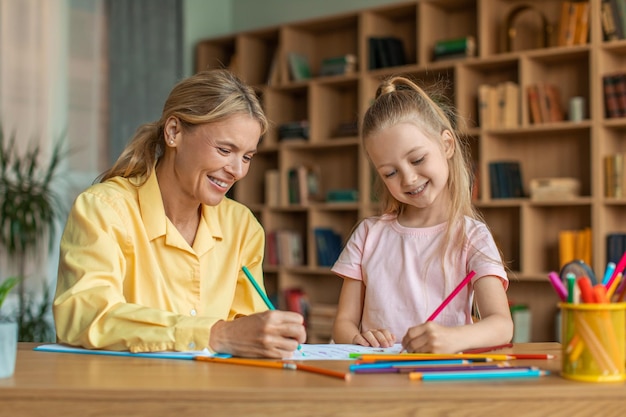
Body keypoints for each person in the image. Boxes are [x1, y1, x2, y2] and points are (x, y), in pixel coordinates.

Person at [53, 69, 306, 358]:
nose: (237, 171)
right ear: (174, 132)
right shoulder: (104, 209)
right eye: (225, 150)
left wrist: (267, 337)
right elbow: (85, 315)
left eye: (247, 157)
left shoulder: (243, 227)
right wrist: (213, 335)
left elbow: (244, 334)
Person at [331, 76, 513, 354]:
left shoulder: (471, 236)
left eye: (417, 160)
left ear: (447, 145)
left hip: (442, 379)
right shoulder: (368, 234)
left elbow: (501, 325)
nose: (409, 178)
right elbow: (344, 325)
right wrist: (359, 339)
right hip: (378, 381)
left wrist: (452, 339)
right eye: (390, 173)